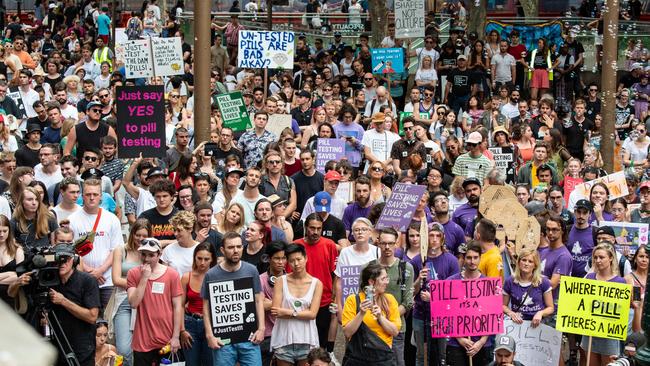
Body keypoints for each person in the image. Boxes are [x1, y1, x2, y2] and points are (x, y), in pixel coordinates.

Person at [201, 232, 266, 366]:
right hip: (222, 340)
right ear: (222, 250)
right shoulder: (211, 275)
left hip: (249, 338)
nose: (235, 251)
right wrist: (209, 336)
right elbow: (206, 308)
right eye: (231, 247)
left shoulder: (251, 270)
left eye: (238, 246)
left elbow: (258, 300)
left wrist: (261, 329)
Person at [127, 238, 183, 366]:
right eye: (144, 254)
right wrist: (144, 278)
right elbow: (133, 303)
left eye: (151, 255)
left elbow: (177, 307)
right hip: (143, 340)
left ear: (159, 254)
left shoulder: (172, 274)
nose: (146, 259)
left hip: (166, 338)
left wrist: (175, 336)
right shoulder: (133, 273)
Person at [69, 179, 123, 310]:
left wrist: (100, 270)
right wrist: (88, 271)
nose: (92, 198)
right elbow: (71, 250)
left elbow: (117, 250)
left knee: (108, 320)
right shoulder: (72, 220)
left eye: (95, 194)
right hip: (83, 279)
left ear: (101, 196)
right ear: (82, 196)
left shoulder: (111, 219)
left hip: (107, 280)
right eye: (88, 194)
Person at [411, 223, 460, 366]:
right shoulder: (416, 261)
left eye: (438, 235)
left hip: (443, 316)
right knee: (421, 355)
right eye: (431, 235)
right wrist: (419, 279)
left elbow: (455, 293)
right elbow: (411, 293)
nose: (434, 239)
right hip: (421, 314)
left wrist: (434, 299)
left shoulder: (451, 260)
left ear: (443, 238)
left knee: (443, 355)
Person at [367, 227, 415, 366]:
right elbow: (365, 297)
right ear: (378, 243)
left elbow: (407, 302)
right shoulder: (369, 268)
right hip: (373, 328)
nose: (387, 247)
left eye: (391, 243)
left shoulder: (406, 267)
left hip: (396, 328)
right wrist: (378, 319)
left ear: (396, 243)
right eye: (383, 243)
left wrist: (386, 319)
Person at [270, 243, 323, 365]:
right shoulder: (280, 281)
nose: (296, 264)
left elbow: (312, 314)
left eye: (299, 259)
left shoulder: (316, 283)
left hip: (307, 339)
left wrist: (288, 312)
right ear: (287, 263)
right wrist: (302, 313)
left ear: (306, 258)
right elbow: (276, 312)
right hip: (284, 339)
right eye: (292, 261)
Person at [294, 213, 338, 354]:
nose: (316, 232)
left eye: (319, 228)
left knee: (320, 343)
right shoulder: (296, 246)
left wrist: (334, 297)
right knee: (302, 342)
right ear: (306, 227)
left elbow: (336, 274)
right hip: (301, 301)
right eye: (312, 228)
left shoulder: (330, 245)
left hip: (323, 301)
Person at [580, 243, 631, 365]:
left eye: (601, 257)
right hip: (590, 331)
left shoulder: (620, 282)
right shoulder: (589, 278)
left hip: (609, 335)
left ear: (611, 258)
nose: (598, 261)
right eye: (595, 258)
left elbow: (623, 311)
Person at [341, 263, 401, 366]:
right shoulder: (353, 300)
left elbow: (395, 331)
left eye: (387, 278)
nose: (387, 282)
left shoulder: (389, 299)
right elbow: (347, 332)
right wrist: (361, 313)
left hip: (383, 358)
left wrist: (380, 317)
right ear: (371, 282)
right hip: (357, 358)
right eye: (383, 279)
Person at [110, 218, 151, 366]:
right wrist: (137, 284)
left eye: (144, 236)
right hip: (124, 301)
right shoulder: (121, 250)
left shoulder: (150, 252)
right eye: (137, 234)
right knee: (124, 349)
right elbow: (115, 279)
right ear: (132, 233)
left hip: (146, 302)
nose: (140, 239)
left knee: (145, 348)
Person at [445, 241, 491, 366]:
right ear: (464, 259)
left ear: (480, 258)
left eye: (476, 258)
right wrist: (460, 338)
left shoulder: (488, 284)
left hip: (481, 344)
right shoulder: (451, 282)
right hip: (455, 342)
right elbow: (446, 314)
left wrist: (481, 342)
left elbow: (492, 316)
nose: (472, 261)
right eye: (469, 258)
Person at [180, 243, 215, 366]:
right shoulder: (186, 277)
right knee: (191, 363)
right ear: (194, 257)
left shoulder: (217, 277)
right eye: (199, 258)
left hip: (211, 323)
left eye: (206, 259)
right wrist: (182, 330)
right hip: (190, 322)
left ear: (212, 259)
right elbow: (179, 305)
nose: (202, 263)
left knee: (210, 363)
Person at [503, 249, 554, 327]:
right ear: (519, 262)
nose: (526, 264)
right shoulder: (510, 281)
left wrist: (540, 313)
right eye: (524, 260)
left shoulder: (543, 281)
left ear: (535, 265)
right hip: (517, 325)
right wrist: (511, 313)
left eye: (530, 261)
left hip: (537, 324)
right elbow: (502, 305)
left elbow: (550, 308)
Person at [138, 179, 178, 247]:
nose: (161, 200)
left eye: (165, 196)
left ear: (172, 196)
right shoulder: (145, 216)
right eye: (158, 196)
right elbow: (139, 239)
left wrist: (164, 242)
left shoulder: (180, 216)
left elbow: (185, 240)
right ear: (154, 197)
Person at [161, 210, 199, 277]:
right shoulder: (168, 250)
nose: (175, 234)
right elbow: (164, 276)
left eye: (179, 230)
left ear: (190, 229)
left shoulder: (199, 249)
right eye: (174, 230)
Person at [0, 214, 23, 305]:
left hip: (11, 297)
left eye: (5, 231)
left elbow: (20, 277)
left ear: (9, 231)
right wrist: (10, 274)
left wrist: (16, 276)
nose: (1, 234)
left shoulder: (17, 250)